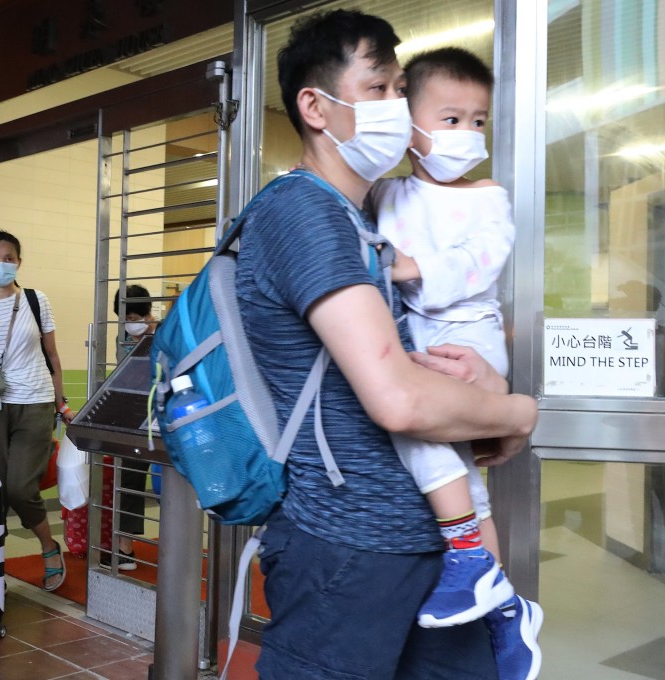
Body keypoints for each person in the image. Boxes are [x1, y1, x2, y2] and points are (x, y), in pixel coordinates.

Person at [235, 10, 538, 679]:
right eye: (378, 90)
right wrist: (519, 412)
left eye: (402, 90)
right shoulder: (304, 213)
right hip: (348, 550)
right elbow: (397, 398)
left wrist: (477, 385)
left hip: (420, 542)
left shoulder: (361, 216)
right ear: (316, 105)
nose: (397, 107)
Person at [365, 46, 542, 679]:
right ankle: (501, 609)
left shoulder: (488, 196)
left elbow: (481, 262)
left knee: (413, 424)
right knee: (467, 485)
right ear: (408, 126)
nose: (468, 134)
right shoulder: (387, 191)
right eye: (449, 119)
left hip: (468, 335)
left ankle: (466, 554)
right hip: (419, 332)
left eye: (478, 121)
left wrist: (411, 268)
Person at [0, 230, 75, 591]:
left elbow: (52, 356)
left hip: (35, 402)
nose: (1, 264)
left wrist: (61, 400)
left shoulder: (37, 301)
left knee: (22, 487)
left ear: (19, 262)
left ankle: (49, 547)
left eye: (9, 258)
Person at [102, 284, 159, 570]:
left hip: (164, 415)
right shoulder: (123, 336)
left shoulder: (165, 332)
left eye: (135, 317)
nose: (129, 324)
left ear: (148, 314)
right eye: (125, 318)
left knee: (169, 484)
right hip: (134, 416)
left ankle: (178, 545)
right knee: (129, 480)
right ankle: (124, 548)